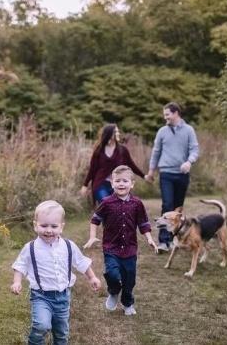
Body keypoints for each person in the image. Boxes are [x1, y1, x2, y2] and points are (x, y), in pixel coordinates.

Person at [11, 200, 101, 345]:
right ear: (35, 225)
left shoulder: (68, 246)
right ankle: (34, 342)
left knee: (61, 333)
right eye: (44, 225)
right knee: (42, 325)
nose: (49, 230)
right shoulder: (31, 248)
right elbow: (20, 265)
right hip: (41, 296)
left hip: (63, 297)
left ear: (61, 227)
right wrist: (17, 281)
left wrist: (92, 277)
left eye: (54, 226)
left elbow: (81, 262)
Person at [83, 165, 157, 316]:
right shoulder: (106, 202)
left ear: (132, 183)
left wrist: (149, 238)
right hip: (111, 247)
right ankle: (114, 292)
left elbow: (143, 223)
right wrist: (92, 237)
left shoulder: (137, 204)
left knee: (129, 281)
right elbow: (95, 220)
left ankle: (127, 303)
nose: (121, 184)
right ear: (112, 183)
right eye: (117, 181)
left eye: (125, 181)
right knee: (112, 273)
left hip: (130, 249)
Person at [145, 102, 199, 252]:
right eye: (164, 115)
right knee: (167, 205)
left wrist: (189, 161)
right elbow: (156, 152)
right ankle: (163, 241)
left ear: (176, 113)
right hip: (166, 173)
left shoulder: (189, 130)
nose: (165, 117)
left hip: (182, 174)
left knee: (177, 210)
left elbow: (194, 150)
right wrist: (151, 172)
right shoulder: (162, 131)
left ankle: (176, 238)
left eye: (167, 114)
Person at [81, 124, 146, 206]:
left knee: (119, 208)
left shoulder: (122, 150)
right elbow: (92, 169)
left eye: (118, 131)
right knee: (107, 204)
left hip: (118, 184)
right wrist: (85, 185)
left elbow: (131, 165)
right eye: (116, 132)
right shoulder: (99, 150)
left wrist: (144, 176)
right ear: (109, 134)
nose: (118, 133)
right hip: (101, 184)